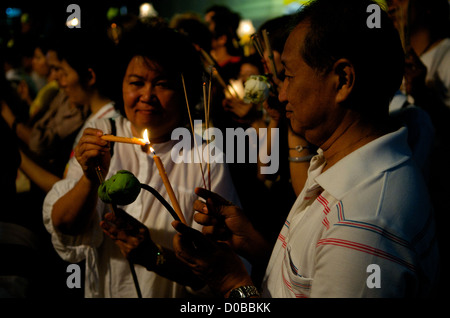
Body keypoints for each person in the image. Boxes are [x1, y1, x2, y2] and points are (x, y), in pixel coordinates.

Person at [172, 0, 440, 298]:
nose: (281, 94)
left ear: (343, 80)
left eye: (287, 75)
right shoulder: (341, 166)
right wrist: (255, 245)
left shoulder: (366, 224)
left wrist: (233, 284)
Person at [42, 24, 240, 298]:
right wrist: (90, 177)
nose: (147, 97)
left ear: (185, 91)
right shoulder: (102, 132)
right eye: (136, 83)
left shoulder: (206, 158)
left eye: (162, 84)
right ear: (119, 83)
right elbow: (65, 226)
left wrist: (153, 255)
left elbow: (219, 274)